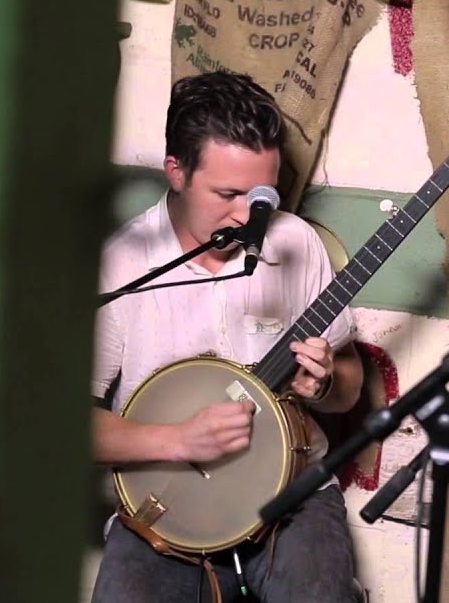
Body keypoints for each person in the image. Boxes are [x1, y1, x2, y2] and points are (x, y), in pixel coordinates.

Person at [90, 71, 365, 603]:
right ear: (177, 172)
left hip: (293, 493)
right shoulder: (122, 262)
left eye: (263, 193)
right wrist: (176, 442)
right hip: (167, 502)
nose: (247, 215)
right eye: (227, 193)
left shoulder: (296, 242)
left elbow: (350, 384)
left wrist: (328, 384)